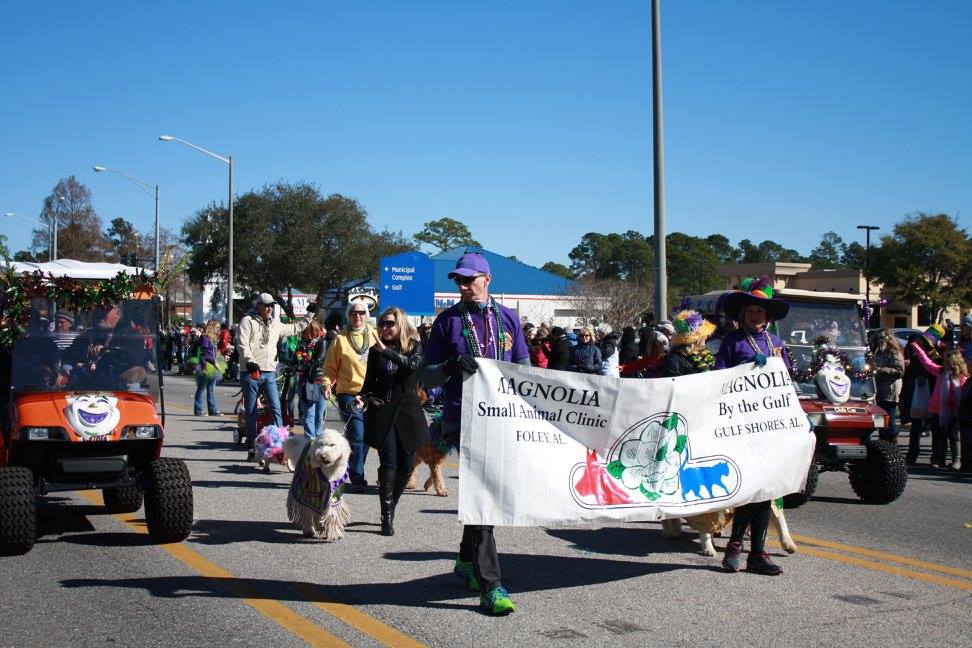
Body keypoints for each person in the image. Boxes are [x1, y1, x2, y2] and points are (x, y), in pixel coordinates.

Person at [419, 252, 529, 616]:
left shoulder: (509, 318)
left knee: (487, 494)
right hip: (463, 421)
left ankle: (467, 560)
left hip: (503, 420)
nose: (463, 287)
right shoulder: (447, 321)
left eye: (469, 280)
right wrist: (450, 365)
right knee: (483, 495)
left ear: (487, 279)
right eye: (459, 281)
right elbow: (426, 375)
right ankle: (491, 586)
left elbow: (525, 369)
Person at [715, 277, 793, 576]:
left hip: (771, 423)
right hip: (742, 423)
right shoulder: (733, 342)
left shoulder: (777, 344)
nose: (754, 316)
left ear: (767, 315)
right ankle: (735, 545)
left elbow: (786, 381)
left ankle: (757, 553)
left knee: (766, 489)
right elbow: (719, 377)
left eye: (759, 311)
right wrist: (745, 370)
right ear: (742, 314)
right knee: (751, 488)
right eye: (750, 311)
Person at [359, 307, 429, 536]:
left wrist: (386, 351)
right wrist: (364, 396)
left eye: (390, 323)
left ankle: (392, 504)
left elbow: (410, 366)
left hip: (408, 413)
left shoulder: (414, 346)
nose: (385, 328)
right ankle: (386, 514)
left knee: (406, 467)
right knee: (389, 462)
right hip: (382, 413)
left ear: (400, 324)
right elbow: (369, 381)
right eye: (382, 324)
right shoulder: (375, 351)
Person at [238, 293, 306, 461]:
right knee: (251, 410)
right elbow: (242, 344)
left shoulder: (275, 323)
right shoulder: (248, 321)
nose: (269, 308)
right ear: (258, 305)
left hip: (269, 372)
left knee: (276, 408)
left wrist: (310, 315)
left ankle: (279, 444)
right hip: (250, 371)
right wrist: (250, 361)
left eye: (271, 305)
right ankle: (252, 445)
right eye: (266, 305)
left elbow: (295, 328)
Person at [323, 299, 378, 492]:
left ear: (367, 315)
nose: (358, 316)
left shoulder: (374, 335)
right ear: (348, 315)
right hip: (348, 393)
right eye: (354, 313)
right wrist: (327, 384)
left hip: (371, 394)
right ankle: (357, 477)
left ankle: (353, 468)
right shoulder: (340, 339)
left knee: (367, 437)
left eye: (361, 313)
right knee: (357, 435)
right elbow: (330, 367)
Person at [908, 342, 967, 469]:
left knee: (953, 435)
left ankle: (956, 460)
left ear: (954, 363)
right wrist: (918, 349)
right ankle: (941, 460)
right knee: (940, 435)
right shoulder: (940, 372)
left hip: (955, 411)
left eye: (946, 361)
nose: (944, 362)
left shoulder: (962, 378)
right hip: (937, 409)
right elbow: (926, 363)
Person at [870, 329, 904, 444]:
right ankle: (883, 442)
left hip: (890, 390)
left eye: (882, 337)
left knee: (889, 418)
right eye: (877, 338)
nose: (879, 340)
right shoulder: (877, 352)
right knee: (880, 419)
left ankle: (892, 443)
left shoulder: (894, 352)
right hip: (878, 389)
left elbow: (899, 371)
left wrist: (880, 370)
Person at [296, 320, 328, 439]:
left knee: (319, 415)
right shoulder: (301, 344)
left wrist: (305, 365)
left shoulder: (322, 343)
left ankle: (318, 439)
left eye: (305, 331)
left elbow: (319, 360)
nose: (303, 334)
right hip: (305, 381)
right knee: (309, 414)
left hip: (318, 380)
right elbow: (297, 360)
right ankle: (310, 441)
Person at [661, 311, 716, 377]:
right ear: (695, 340)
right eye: (703, 337)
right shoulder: (673, 360)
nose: (706, 339)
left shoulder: (705, 354)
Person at [193, 319, 223, 416]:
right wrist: (213, 362)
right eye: (217, 327)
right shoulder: (205, 338)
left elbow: (212, 353)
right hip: (205, 365)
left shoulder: (213, 339)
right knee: (201, 388)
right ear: (212, 327)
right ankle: (198, 410)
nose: (218, 329)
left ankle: (213, 410)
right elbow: (203, 354)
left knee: (211, 389)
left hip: (212, 365)